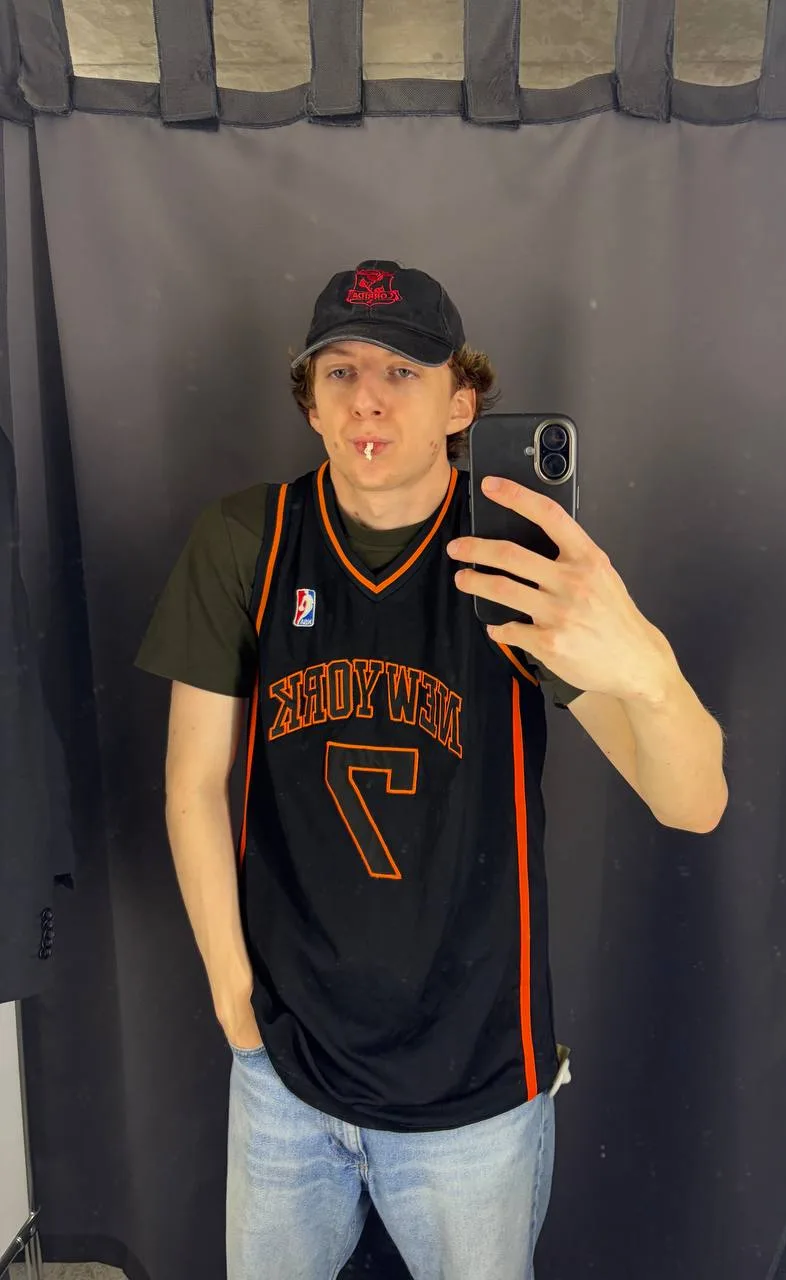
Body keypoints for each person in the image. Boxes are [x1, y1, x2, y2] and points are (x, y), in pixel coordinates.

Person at [136, 259, 727, 1280]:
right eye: (340, 371)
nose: (367, 398)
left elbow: (694, 801)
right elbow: (192, 781)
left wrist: (648, 666)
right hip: (286, 1067)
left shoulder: (513, 562)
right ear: (310, 403)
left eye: (403, 371)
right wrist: (236, 1001)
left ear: (462, 403)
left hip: (473, 1082)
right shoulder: (249, 541)